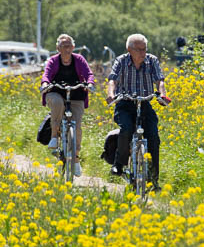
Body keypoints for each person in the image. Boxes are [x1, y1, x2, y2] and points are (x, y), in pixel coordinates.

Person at [106, 33, 168, 187]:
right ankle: (119, 165)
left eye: (144, 49)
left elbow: (159, 80)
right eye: (139, 49)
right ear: (129, 49)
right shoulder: (121, 61)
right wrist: (111, 94)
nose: (143, 53)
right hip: (125, 104)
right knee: (126, 129)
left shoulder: (152, 60)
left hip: (145, 103)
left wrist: (163, 94)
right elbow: (112, 79)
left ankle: (154, 180)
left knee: (153, 136)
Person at [40, 34, 94, 177]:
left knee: (76, 126)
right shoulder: (53, 61)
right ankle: (53, 136)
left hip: (76, 95)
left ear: (73, 47)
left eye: (69, 45)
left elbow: (89, 73)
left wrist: (90, 83)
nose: (67, 49)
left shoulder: (79, 60)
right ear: (58, 48)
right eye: (63, 46)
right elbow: (46, 74)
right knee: (57, 103)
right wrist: (45, 83)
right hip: (56, 92)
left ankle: (75, 160)